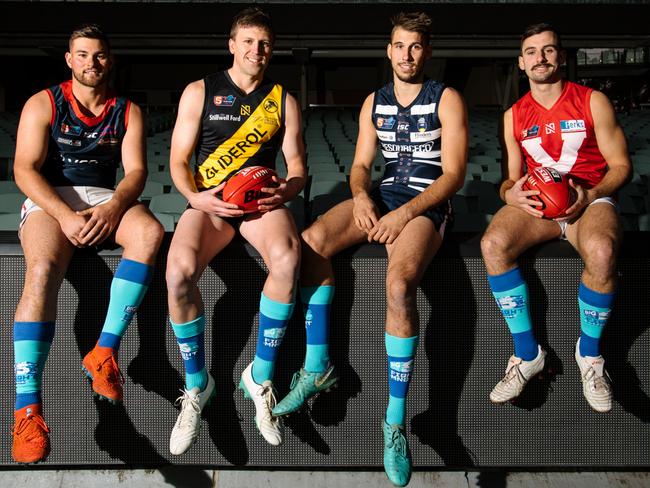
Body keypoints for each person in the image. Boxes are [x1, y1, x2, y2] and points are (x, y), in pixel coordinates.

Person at [271, 12, 467, 487]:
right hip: (381, 196)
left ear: (427, 51)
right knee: (311, 243)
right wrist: (361, 195)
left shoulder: (447, 98)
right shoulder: (373, 102)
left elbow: (453, 175)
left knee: (398, 285)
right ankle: (317, 367)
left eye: (416, 46)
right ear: (388, 50)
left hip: (425, 206)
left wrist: (405, 215)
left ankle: (394, 423)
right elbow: (361, 165)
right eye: (399, 46)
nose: (407, 55)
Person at [11, 24, 164, 463]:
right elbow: (24, 169)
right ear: (69, 59)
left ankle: (104, 354)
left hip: (101, 195)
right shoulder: (44, 103)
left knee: (150, 232)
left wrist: (114, 208)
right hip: (51, 196)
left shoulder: (128, 110)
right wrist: (63, 216)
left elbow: (135, 173)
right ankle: (27, 412)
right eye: (82, 55)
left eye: (98, 56)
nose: (91, 63)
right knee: (40, 272)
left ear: (109, 60)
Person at [165, 7, 305, 454]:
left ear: (272, 49)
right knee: (178, 273)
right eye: (248, 41)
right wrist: (197, 196)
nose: (256, 50)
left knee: (287, 257)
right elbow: (177, 161)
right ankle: (196, 386)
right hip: (211, 203)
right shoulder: (199, 91)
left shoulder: (283, 99)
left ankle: (259, 377)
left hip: (259, 204)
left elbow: (299, 169)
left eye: (264, 43)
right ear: (232, 45)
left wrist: (286, 192)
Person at [481, 23, 631, 413]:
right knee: (492, 244)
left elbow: (620, 166)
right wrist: (509, 193)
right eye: (531, 52)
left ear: (560, 57)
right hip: (539, 206)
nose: (540, 58)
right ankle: (527, 354)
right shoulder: (513, 115)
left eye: (548, 51)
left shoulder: (592, 100)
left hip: (589, 199)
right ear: (521, 62)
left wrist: (592, 194)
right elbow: (509, 180)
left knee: (601, 250)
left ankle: (591, 357)